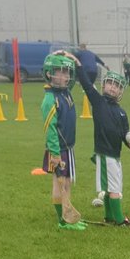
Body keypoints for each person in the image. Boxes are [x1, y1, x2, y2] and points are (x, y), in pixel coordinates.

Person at [73, 60, 130, 226]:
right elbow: (87, 85)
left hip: (116, 155)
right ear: (103, 85)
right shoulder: (99, 102)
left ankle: (110, 217)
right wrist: (79, 66)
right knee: (114, 188)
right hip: (105, 153)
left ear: (121, 91)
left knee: (113, 187)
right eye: (110, 83)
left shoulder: (122, 112)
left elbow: (125, 135)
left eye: (117, 86)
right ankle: (119, 220)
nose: (113, 88)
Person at [40, 50, 81, 230]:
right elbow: (50, 130)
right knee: (60, 183)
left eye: (67, 72)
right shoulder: (50, 99)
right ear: (49, 73)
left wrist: (74, 60)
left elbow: (73, 76)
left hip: (68, 147)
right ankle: (63, 220)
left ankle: (68, 213)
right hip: (59, 150)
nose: (64, 76)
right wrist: (55, 154)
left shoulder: (65, 92)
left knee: (67, 182)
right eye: (60, 72)